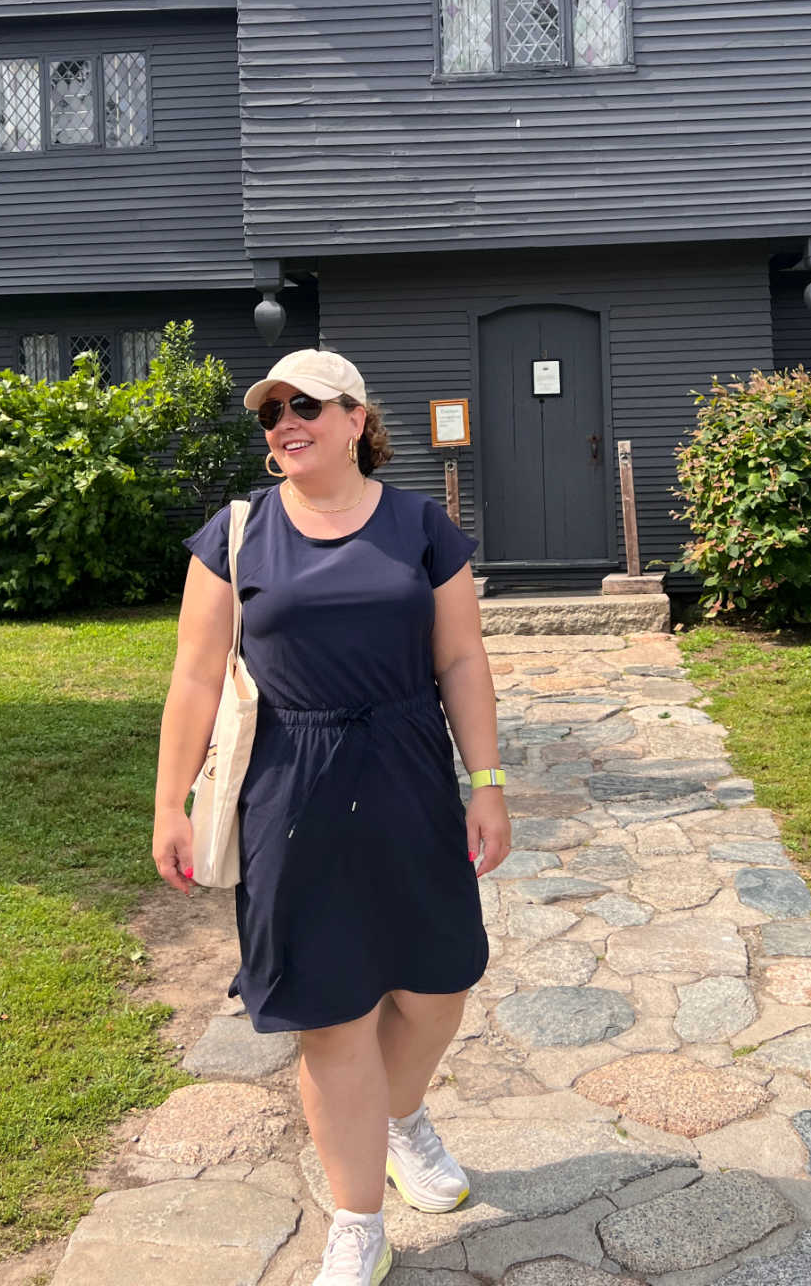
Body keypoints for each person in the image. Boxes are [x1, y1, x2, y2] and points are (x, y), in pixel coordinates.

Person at [153, 348, 511, 1286]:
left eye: (303, 404)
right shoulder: (236, 534)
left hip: (405, 769)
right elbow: (194, 679)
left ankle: (396, 1117)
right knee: (332, 1013)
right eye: (270, 411)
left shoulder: (420, 527)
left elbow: (463, 662)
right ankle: (359, 1220)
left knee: (439, 982)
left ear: (357, 418)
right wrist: (170, 803)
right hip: (287, 785)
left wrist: (489, 781)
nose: (283, 422)